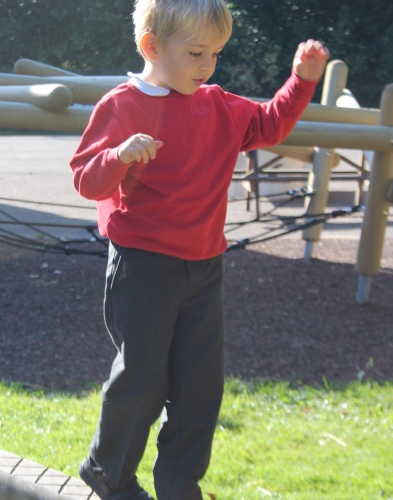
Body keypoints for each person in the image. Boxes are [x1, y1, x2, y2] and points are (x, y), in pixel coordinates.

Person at [70, 0, 329, 498]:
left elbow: (270, 124)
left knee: (199, 388)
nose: (208, 65)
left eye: (215, 53)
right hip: (144, 267)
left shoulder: (219, 106)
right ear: (152, 46)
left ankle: (178, 487)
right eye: (195, 53)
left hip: (204, 267)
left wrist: (301, 81)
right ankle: (109, 473)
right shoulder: (122, 106)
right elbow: (85, 179)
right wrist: (119, 155)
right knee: (143, 379)